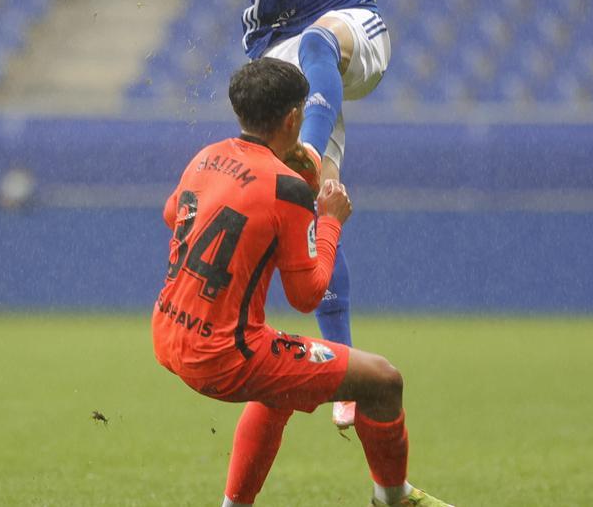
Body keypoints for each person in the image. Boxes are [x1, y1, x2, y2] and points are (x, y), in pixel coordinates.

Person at [153, 58, 452, 507]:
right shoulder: (288, 188)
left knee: (280, 387)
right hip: (225, 355)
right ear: (293, 118)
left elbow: (173, 214)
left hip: (168, 332)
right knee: (383, 380)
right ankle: (394, 499)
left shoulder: (206, 156)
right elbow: (306, 295)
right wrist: (330, 222)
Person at [233, 0, 442, 428]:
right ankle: (346, 377)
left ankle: (306, 152)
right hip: (281, 54)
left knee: (325, 33)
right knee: (317, 204)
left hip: (354, 31)